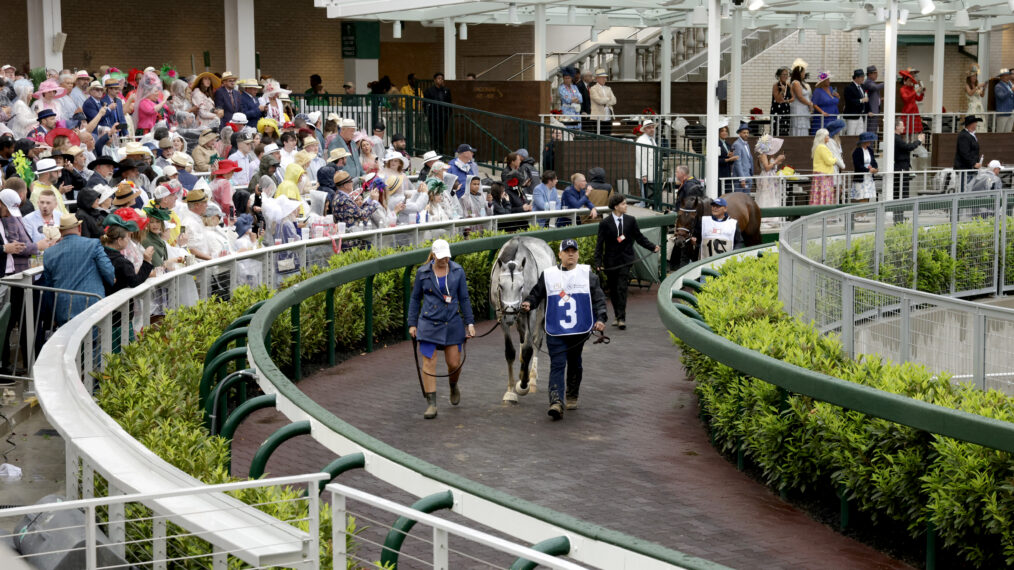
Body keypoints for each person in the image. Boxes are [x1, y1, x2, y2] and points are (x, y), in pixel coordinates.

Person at [521, 238, 607, 419]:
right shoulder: (549, 275)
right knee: (558, 364)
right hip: (555, 329)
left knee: (575, 363)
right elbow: (537, 293)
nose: (570, 254)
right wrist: (529, 302)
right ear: (559, 254)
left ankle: (572, 394)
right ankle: (556, 402)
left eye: (573, 251)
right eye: (566, 251)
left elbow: (599, 299)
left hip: (579, 330)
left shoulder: (588, 275)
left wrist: (600, 318)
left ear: (578, 254)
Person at [407, 239, 475, 419]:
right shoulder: (422, 273)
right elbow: (415, 299)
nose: (445, 259)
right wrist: (412, 323)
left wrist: (470, 323)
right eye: (441, 256)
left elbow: (464, 298)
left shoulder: (457, 271)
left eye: (447, 256)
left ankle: (453, 385)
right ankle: (431, 403)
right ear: (434, 255)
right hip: (428, 323)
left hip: (452, 322)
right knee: (429, 362)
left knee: (454, 363)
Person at [594, 194, 659, 330]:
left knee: (622, 287)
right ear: (616, 206)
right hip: (611, 262)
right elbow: (600, 244)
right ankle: (617, 315)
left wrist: (652, 247)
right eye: (623, 204)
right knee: (613, 290)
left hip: (626, 260)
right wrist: (598, 262)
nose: (626, 206)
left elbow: (639, 237)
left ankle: (621, 318)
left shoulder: (631, 220)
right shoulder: (605, 223)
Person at [42, 214, 115, 325]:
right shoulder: (93, 244)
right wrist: (111, 280)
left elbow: (49, 287)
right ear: (79, 228)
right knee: (93, 341)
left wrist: (53, 314)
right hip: (92, 305)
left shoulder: (48, 253)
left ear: (61, 232)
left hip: (64, 307)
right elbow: (107, 270)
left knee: (69, 341)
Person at [101, 214, 154, 295]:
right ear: (119, 240)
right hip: (117, 304)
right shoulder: (121, 262)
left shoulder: (100, 253)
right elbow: (135, 282)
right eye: (127, 237)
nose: (129, 239)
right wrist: (146, 261)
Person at [893, 119, 925, 201]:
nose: (904, 127)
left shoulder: (897, 138)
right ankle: (900, 208)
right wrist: (919, 141)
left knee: (901, 188)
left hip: (902, 166)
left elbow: (907, 146)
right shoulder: (896, 138)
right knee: (902, 189)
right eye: (902, 126)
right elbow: (908, 147)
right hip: (901, 167)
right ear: (897, 127)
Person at [423, 73, 452, 154]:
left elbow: (449, 103)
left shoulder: (446, 90)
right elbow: (425, 104)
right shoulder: (429, 91)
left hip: (443, 117)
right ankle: (434, 151)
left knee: (442, 135)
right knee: (433, 135)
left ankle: (441, 152)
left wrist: (448, 114)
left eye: (442, 78)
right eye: (439, 78)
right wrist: (428, 114)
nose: (440, 80)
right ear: (435, 80)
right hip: (433, 117)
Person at [754, 135, 784, 211]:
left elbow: (772, 166)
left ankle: (773, 215)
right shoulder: (763, 155)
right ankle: (766, 215)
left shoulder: (769, 155)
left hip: (771, 177)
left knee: (772, 195)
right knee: (766, 194)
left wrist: (778, 161)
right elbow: (767, 168)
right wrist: (776, 160)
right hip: (766, 177)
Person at [954, 115, 982, 192]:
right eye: (975, 122)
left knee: (969, 187)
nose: (976, 124)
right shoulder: (964, 136)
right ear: (971, 124)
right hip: (964, 168)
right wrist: (973, 163)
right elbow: (964, 152)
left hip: (969, 168)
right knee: (964, 187)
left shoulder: (970, 135)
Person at [851, 132, 879, 204]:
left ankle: (864, 214)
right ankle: (859, 214)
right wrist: (868, 170)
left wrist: (875, 168)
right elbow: (857, 165)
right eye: (868, 140)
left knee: (867, 195)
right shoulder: (857, 151)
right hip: (861, 177)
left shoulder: (870, 150)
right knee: (860, 196)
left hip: (869, 177)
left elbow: (873, 161)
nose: (870, 142)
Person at [810, 128, 836, 205]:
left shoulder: (818, 147)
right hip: (824, 174)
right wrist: (835, 159)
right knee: (824, 193)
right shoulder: (822, 147)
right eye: (827, 135)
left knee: (818, 193)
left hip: (820, 174)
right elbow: (829, 161)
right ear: (823, 137)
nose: (828, 137)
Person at [789, 59, 814, 136]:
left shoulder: (801, 83)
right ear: (799, 73)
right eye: (803, 72)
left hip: (803, 109)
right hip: (799, 109)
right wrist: (809, 103)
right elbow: (800, 97)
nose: (804, 74)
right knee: (799, 127)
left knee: (804, 128)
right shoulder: (796, 83)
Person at [588, 68, 616, 136]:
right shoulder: (593, 88)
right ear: (597, 78)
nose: (605, 79)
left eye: (605, 78)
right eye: (602, 77)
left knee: (608, 135)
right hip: (598, 117)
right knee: (598, 136)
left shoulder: (608, 88)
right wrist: (608, 99)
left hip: (608, 116)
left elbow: (614, 100)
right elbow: (599, 101)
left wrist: (605, 100)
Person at [843, 69, 870, 136]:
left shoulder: (862, 87)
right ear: (856, 77)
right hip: (852, 115)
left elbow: (865, 99)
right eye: (861, 77)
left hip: (861, 115)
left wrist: (868, 110)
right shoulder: (849, 88)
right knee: (851, 133)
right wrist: (861, 100)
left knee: (860, 134)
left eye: (863, 77)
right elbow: (849, 101)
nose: (863, 79)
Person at [635, 119, 657, 202]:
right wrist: (644, 174)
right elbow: (640, 158)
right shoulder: (641, 140)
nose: (652, 129)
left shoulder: (652, 140)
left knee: (649, 194)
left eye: (653, 127)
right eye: (649, 128)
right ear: (644, 129)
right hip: (645, 173)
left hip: (651, 172)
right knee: (645, 196)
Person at [899, 69, 925, 135]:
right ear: (905, 81)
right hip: (907, 111)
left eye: (911, 80)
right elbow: (906, 98)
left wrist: (922, 93)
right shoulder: (902, 89)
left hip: (914, 110)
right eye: (909, 80)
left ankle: (913, 144)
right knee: (906, 131)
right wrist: (915, 91)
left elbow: (919, 99)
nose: (911, 82)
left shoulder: (912, 89)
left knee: (915, 131)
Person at [731, 123, 754, 192]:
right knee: (739, 198)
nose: (746, 134)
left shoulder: (747, 144)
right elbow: (738, 162)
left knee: (746, 198)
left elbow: (749, 159)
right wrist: (742, 178)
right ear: (739, 133)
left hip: (748, 176)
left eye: (747, 133)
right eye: (744, 133)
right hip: (740, 178)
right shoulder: (737, 144)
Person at [770, 67, 793, 136]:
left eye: (786, 74)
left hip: (786, 110)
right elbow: (778, 99)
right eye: (783, 74)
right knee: (777, 130)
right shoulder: (776, 85)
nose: (785, 76)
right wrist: (782, 91)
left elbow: (793, 98)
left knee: (785, 130)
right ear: (779, 75)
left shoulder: (789, 85)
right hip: (777, 110)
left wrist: (786, 101)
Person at [965, 66, 987, 133]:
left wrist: (984, 88)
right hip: (972, 107)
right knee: (973, 124)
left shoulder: (976, 85)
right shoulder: (967, 85)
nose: (975, 78)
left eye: (976, 76)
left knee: (981, 123)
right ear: (969, 77)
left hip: (979, 107)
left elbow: (982, 95)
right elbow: (970, 93)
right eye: (973, 76)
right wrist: (978, 86)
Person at [863, 65, 884, 134]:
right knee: (871, 132)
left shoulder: (872, 82)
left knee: (873, 131)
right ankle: (869, 145)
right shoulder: (868, 82)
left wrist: (879, 99)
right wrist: (886, 82)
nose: (876, 75)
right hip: (871, 111)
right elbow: (875, 88)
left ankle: (870, 145)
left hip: (875, 110)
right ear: (869, 74)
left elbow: (872, 96)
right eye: (875, 73)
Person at [717, 123, 737, 194]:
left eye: (726, 131)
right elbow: (716, 160)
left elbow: (730, 160)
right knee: (720, 192)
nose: (724, 133)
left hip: (727, 171)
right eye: (722, 131)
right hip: (719, 172)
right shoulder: (716, 143)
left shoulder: (728, 144)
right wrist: (728, 159)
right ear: (718, 133)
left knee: (728, 192)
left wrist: (732, 158)